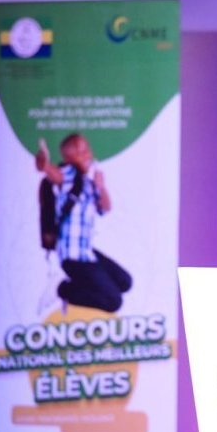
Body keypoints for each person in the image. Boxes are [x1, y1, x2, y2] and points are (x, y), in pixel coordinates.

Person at [36, 133, 131, 313]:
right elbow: (53, 173)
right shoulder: (69, 174)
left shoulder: (89, 183)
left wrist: (101, 186)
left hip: (86, 252)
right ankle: (62, 289)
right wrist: (44, 164)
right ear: (68, 158)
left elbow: (105, 208)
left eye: (87, 149)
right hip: (72, 256)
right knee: (114, 302)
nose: (88, 155)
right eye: (81, 152)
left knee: (125, 282)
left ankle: (78, 285)